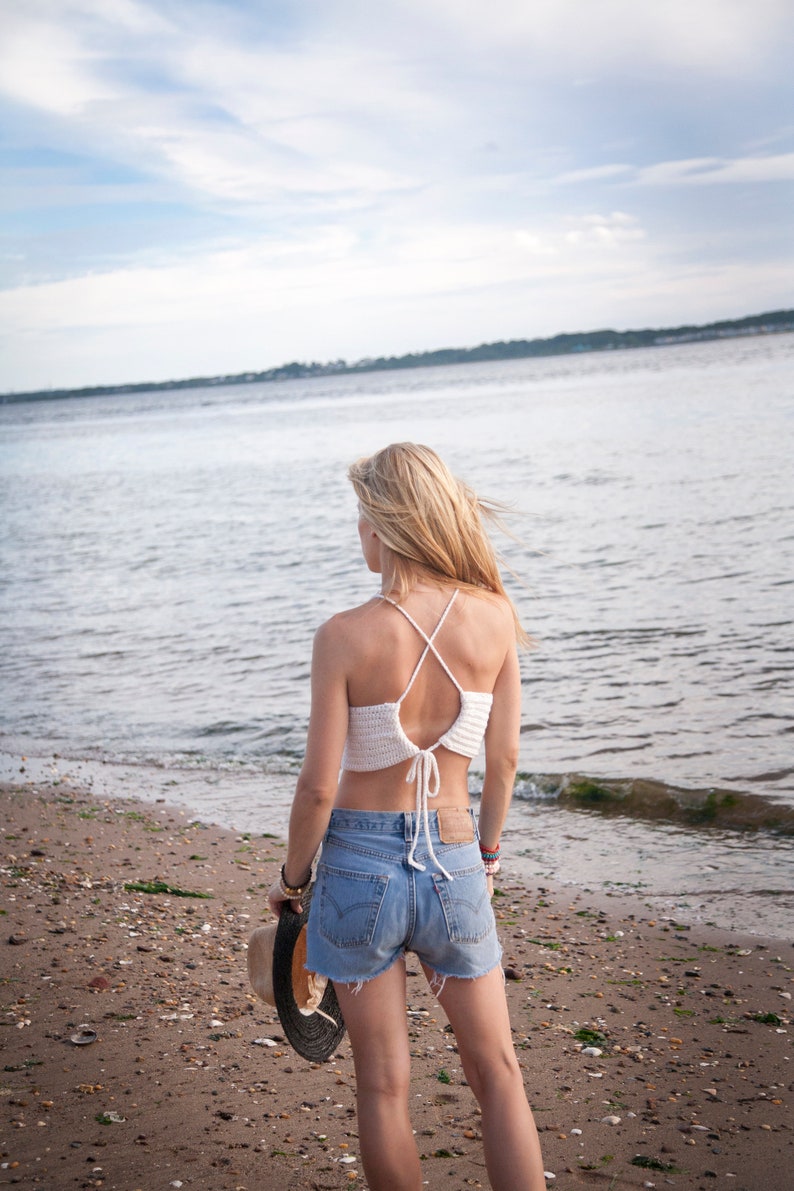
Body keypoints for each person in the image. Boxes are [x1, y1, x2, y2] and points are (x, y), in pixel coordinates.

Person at [268, 443, 546, 1190]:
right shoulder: (493, 617)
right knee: (498, 1073)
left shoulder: (344, 635)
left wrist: (291, 880)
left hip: (358, 872)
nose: (358, 531)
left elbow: (319, 788)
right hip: (454, 860)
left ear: (387, 524)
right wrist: (486, 855)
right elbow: (507, 757)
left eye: (362, 516)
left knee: (384, 1086)